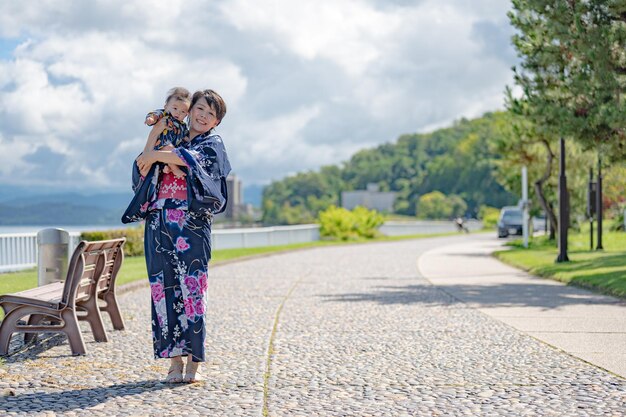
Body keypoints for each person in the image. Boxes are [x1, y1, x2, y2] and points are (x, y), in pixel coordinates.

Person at [135, 89, 231, 383]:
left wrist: (158, 157)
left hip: (191, 226)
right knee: (163, 291)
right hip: (159, 221)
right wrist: (154, 150)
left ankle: (194, 363)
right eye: (199, 109)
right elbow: (141, 166)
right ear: (190, 110)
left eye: (210, 114)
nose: (203, 116)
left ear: (216, 122)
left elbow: (193, 164)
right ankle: (174, 362)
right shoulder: (172, 135)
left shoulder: (212, 144)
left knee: (193, 291)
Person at [143, 87, 191, 178]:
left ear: (187, 114)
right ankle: (175, 169)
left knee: (176, 151)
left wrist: (188, 139)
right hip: (160, 144)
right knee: (169, 148)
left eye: (183, 111)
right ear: (166, 107)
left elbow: (186, 136)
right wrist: (151, 119)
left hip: (171, 148)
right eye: (175, 108)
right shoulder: (165, 115)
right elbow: (156, 114)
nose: (178, 113)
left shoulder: (183, 125)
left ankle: (166, 167)